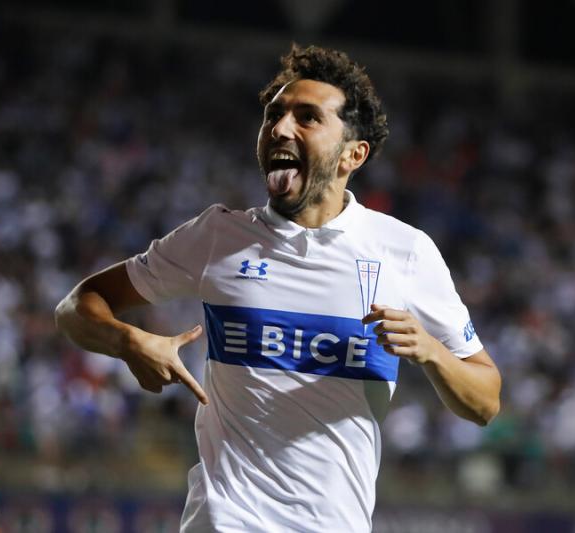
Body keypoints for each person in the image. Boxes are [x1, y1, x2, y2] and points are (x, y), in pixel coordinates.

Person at [55, 44, 501, 532]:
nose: (281, 128)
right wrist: (126, 340)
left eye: (307, 117)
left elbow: (485, 402)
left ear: (354, 154)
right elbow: (77, 306)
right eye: (274, 114)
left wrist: (432, 352)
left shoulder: (404, 252)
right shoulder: (217, 237)